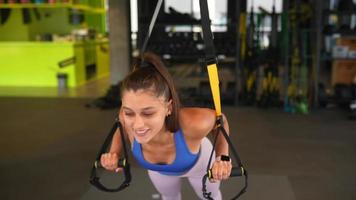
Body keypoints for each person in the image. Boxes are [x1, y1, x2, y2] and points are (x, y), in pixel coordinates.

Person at [100, 52, 232, 200]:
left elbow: (221, 121)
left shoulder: (193, 122)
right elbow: (121, 123)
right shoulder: (125, 118)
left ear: (168, 107)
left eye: (148, 113)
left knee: (211, 197)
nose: (137, 125)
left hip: (200, 165)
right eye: (129, 113)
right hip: (160, 172)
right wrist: (114, 152)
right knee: (169, 197)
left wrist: (222, 158)